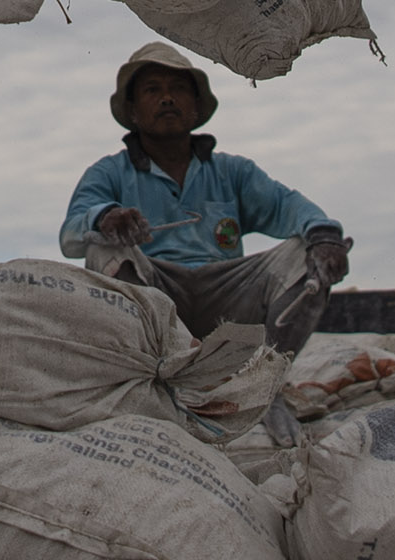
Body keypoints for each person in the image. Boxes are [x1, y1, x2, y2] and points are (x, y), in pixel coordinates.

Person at [61, 42, 351, 353]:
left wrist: (325, 236)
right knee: (102, 247)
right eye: (152, 90)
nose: (167, 98)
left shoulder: (233, 171)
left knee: (306, 247)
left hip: (230, 298)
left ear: (196, 106)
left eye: (178, 88)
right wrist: (105, 218)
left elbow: (288, 205)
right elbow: (71, 235)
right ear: (133, 110)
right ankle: (149, 373)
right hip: (153, 301)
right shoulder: (108, 172)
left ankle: (267, 375)